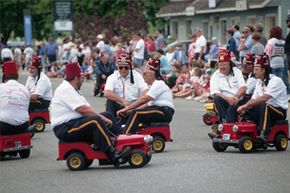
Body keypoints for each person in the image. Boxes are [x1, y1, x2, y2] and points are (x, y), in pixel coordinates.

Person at [50, 62, 130, 165]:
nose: (82, 81)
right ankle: (112, 155)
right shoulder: (65, 89)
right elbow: (83, 110)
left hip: (73, 123)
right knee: (96, 121)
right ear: (75, 78)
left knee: (107, 115)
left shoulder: (73, 90)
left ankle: (122, 141)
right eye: (81, 79)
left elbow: (88, 108)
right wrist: (102, 119)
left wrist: (104, 117)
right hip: (65, 128)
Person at [237, 54, 288, 142]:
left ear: (263, 70)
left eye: (256, 69)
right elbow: (253, 99)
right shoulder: (259, 82)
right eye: (254, 69)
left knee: (264, 104)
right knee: (246, 106)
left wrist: (245, 106)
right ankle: (243, 131)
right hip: (265, 109)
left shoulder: (276, 81)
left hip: (279, 111)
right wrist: (244, 107)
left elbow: (264, 98)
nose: (254, 71)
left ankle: (264, 133)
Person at [117, 58, 174, 134]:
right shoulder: (153, 86)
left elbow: (144, 99)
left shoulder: (159, 83)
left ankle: (125, 136)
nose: (142, 76)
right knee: (133, 113)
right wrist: (128, 112)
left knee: (136, 113)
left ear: (151, 75)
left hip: (164, 111)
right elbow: (147, 104)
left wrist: (127, 108)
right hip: (159, 109)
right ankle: (124, 133)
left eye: (144, 73)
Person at [104, 53, 148, 119]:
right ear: (117, 67)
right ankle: (110, 123)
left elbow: (145, 90)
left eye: (126, 67)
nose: (123, 70)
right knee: (110, 101)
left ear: (130, 67)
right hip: (119, 104)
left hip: (133, 105)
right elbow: (107, 93)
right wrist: (122, 101)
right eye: (120, 67)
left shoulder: (137, 75)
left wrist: (145, 97)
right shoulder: (112, 77)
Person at [210, 49, 246, 123]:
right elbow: (216, 93)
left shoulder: (237, 71)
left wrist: (235, 98)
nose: (222, 67)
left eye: (224, 64)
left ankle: (227, 124)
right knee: (217, 98)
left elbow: (243, 88)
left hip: (238, 100)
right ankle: (223, 120)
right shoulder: (215, 76)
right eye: (220, 65)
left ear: (229, 64)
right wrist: (228, 99)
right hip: (225, 101)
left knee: (233, 108)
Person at [0, 61, 30, 135]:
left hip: (4, 126)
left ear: (4, 76)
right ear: (17, 76)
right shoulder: (25, 88)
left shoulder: (1, 87)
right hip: (24, 125)